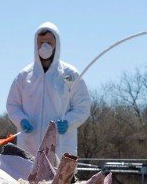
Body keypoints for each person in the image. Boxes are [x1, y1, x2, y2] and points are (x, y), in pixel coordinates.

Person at [6, 22, 91, 158]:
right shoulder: (25, 75)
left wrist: (68, 122)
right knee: (27, 178)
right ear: (36, 44)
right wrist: (21, 120)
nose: (45, 46)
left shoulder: (70, 74)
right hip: (29, 145)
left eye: (49, 42)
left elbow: (83, 106)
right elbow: (12, 105)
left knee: (59, 177)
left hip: (61, 145)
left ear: (56, 44)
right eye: (41, 42)